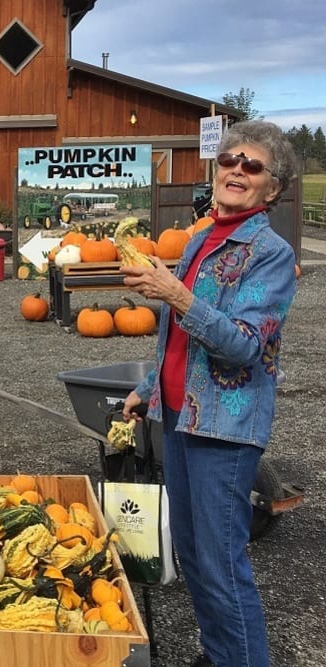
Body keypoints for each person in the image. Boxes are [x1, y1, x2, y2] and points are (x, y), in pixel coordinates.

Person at [120, 120, 298, 667]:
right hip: (178, 415)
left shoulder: (270, 254)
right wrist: (147, 389)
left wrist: (174, 292)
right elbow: (177, 339)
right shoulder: (200, 237)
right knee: (193, 555)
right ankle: (221, 653)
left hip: (224, 425)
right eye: (229, 160)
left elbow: (243, 345)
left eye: (252, 166)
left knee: (221, 564)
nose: (236, 170)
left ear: (272, 187)